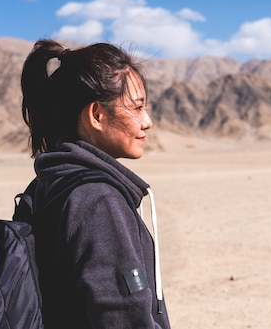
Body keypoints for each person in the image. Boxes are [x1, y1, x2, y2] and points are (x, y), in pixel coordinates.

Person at [20, 39, 171, 329]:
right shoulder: (98, 200)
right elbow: (122, 317)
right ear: (97, 115)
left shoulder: (52, 182)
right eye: (137, 108)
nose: (148, 121)